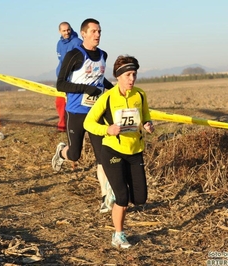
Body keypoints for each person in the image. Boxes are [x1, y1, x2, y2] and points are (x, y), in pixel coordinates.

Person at [84, 55, 155, 249]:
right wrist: (108, 129)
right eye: (128, 75)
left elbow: (146, 117)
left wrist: (148, 125)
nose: (132, 79)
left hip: (135, 151)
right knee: (123, 197)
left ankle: (113, 195)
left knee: (140, 198)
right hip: (112, 150)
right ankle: (118, 234)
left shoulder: (140, 95)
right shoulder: (107, 97)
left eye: (134, 74)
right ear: (118, 76)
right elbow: (88, 123)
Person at [51, 18, 114, 213]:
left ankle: (105, 197)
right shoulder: (74, 55)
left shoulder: (103, 54)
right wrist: (86, 89)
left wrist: (115, 91)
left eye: (99, 31)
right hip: (76, 111)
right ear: (84, 34)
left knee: (102, 156)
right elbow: (60, 84)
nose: (97, 35)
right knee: (75, 154)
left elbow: (100, 79)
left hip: (96, 113)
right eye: (93, 31)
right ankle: (62, 152)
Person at [55, 22, 83, 132]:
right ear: (59, 31)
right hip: (61, 78)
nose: (67, 32)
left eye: (68, 30)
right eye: (64, 31)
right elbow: (61, 60)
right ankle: (62, 125)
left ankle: (70, 126)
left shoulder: (77, 42)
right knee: (59, 103)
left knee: (71, 104)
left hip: (72, 79)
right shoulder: (59, 44)